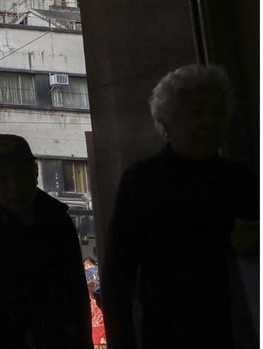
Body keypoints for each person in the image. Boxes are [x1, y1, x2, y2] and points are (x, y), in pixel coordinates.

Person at [100, 64, 259, 349]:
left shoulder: (243, 180)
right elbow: (117, 275)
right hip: (166, 335)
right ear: (167, 122)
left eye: (218, 112)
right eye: (197, 113)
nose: (210, 122)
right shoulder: (142, 182)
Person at [0, 133, 92, 349]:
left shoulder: (57, 220)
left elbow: (76, 295)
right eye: (3, 178)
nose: (14, 187)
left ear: (35, 172)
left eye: (21, 175)